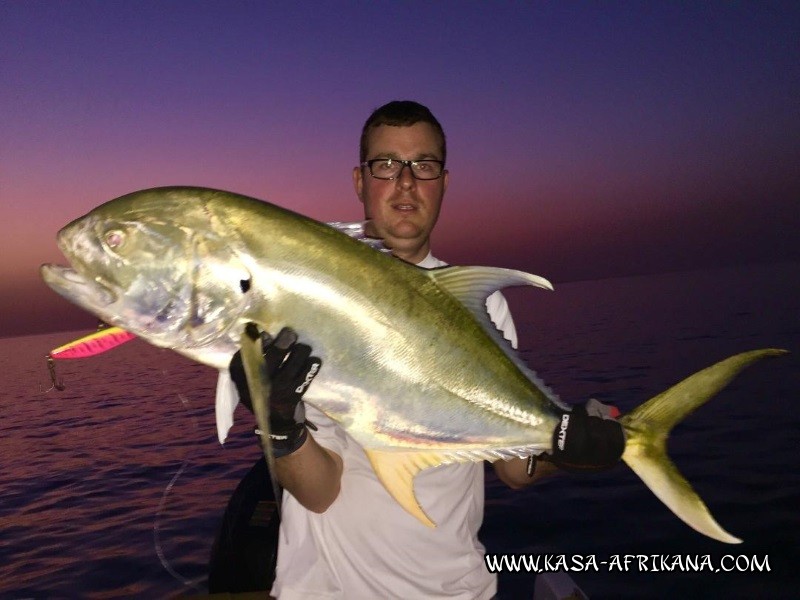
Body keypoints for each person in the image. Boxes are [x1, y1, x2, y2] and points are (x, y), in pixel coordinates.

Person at [230, 100, 624, 599]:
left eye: (424, 165)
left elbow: (512, 468)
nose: (406, 181)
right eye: (386, 164)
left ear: (443, 181)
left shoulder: (480, 306)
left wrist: (566, 448)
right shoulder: (306, 304)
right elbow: (320, 491)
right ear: (359, 181)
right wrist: (280, 425)